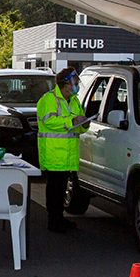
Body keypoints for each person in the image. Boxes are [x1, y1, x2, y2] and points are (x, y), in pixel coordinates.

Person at [36, 67, 89, 232]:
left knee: (62, 190)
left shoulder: (74, 101)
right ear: (66, 84)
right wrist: (72, 121)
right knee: (54, 190)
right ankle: (54, 220)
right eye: (75, 82)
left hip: (68, 155)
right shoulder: (49, 99)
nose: (77, 85)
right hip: (54, 154)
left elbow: (77, 125)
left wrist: (83, 124)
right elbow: (49, 121)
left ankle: (59, 219)